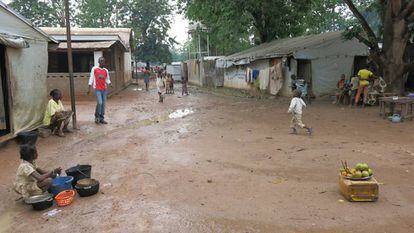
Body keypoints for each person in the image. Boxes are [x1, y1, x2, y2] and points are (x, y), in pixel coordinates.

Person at [87, 57, 111, 124]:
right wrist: (89, 87)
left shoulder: (106, 70)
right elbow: (91, 78)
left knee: (103, 104)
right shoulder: (94, 69)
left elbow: (107, 79)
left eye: (103, 61)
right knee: (100, 102)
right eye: (101, 61)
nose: (102, 62)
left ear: (104, 62)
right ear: (98, 62)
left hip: (104, 89)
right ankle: (97, 116)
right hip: (97, 89)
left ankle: (101, 118)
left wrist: (110, 84)